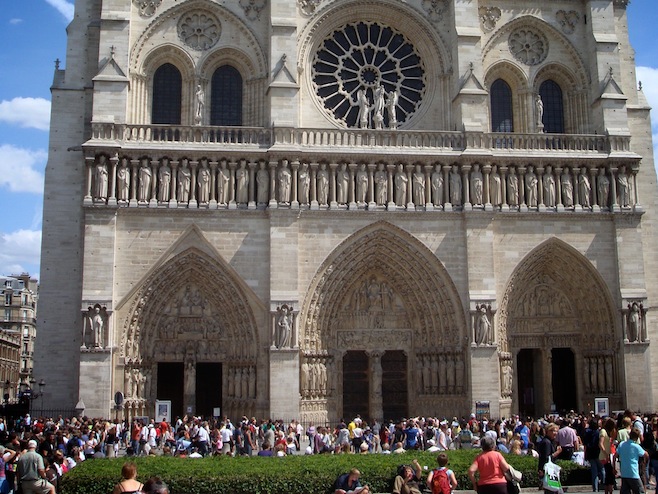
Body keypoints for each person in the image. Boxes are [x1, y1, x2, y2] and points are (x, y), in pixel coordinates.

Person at [614, 428, 648, 494]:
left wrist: (614, 468)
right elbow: (646, 454)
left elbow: (615, 456)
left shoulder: (621, 444)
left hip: (624, 473)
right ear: (637, 437)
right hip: (633, 473)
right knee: (640, 491)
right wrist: (644, 463)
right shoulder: (636, 447)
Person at [537, 423, 562, 492]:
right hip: (548, 471)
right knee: (550, 490)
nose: (555, 433)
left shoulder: (549, 442)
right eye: (553, 431)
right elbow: (547, 458)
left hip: (548, 471)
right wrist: (557, 452)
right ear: (548, 431)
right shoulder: (546, 442)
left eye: (557, 431)